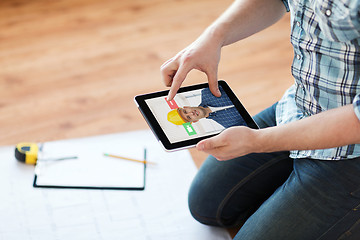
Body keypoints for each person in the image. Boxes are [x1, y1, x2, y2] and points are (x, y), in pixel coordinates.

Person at [160, 0, 360, 239]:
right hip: (299, 107)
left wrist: (258, 141)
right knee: (206, 204)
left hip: (351, 151)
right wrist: (213, 36)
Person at [167, 86, 247, 128]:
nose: (191, 113)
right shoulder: (229, 125)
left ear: (186, 107)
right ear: (195, 121)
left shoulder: (208, 92)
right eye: (189, 118)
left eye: (185, 111)